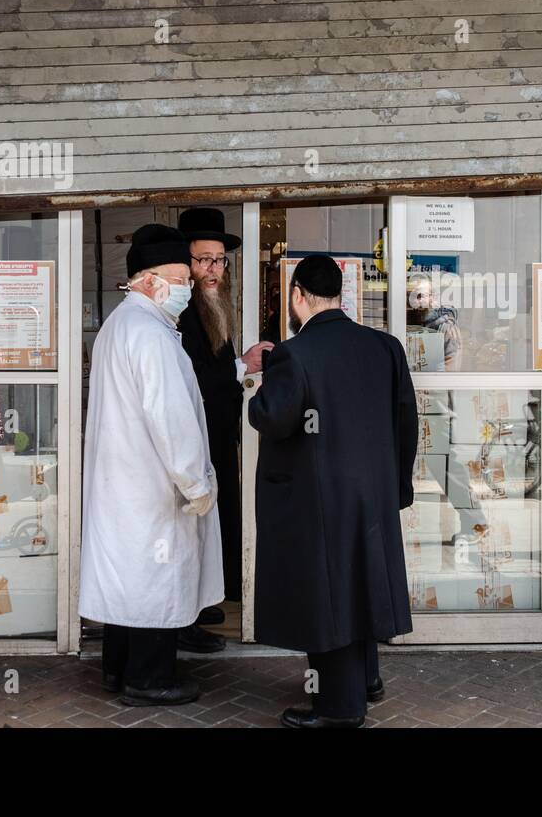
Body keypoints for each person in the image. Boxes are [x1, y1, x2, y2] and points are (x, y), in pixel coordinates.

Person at [248, 255, 417, 728]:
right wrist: (398, 485)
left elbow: (274, 418)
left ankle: (340, 708)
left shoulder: (294, 354)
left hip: (318, 498)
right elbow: (407, 420)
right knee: (360, 583)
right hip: (372, 494)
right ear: (340, 294)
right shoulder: (385, 347)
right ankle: (367, 681)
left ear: (297, 294)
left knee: (328, 597)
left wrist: (259, 385)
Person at [79, 224, 224, 707]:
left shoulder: (121, 326)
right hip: (154, 487)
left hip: (124, 483)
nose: (188, 286)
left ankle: (117, 671)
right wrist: (195, 481)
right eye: (180, 277)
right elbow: (172, 418)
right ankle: (150, 678)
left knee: (128, 580)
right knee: (155, 582)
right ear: (148, 281)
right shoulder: (152, 335)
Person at [175, 208, 273, 652]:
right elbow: (193, 378)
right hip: (192, 441)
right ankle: (184, 620)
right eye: (203, 260)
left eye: (219, 260)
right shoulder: (181, 312)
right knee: (191, 526)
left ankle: (200, 602)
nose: (213, 269)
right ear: (187, 264)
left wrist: (240, 366)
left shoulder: (212, 305)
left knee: (211, 523)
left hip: (214, 435)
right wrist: (242, 365)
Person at [407, 271, 462, 370]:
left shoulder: (446, 326)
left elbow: (452, 366)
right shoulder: (406, 323)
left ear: (432, 298)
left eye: (420, 296)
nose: (415, 301)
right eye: (411, 296)